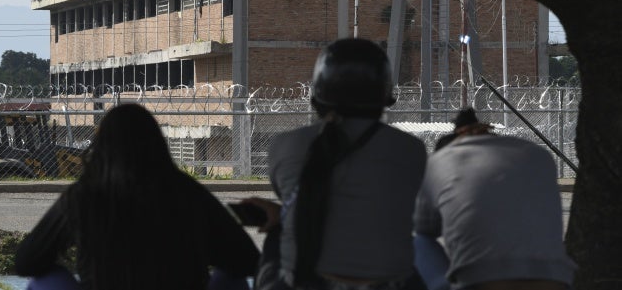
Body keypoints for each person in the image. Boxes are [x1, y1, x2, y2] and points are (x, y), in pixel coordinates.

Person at [246, 38, 429, 290]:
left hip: (303, 283)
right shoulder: (411, 149)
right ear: (383, 96)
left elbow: (302, 194)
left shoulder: (284, 145)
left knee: (277, 238)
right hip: (387, 284)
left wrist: (281, 216)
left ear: (318, 95)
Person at [14, 103, 260, 290]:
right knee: (231, 277)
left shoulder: (84, 196)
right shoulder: (187, 191)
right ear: (157, 143)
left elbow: (27, 262)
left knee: (45, 280)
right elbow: (247, 261)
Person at [413, 107, 577, 290]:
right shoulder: (540, 156)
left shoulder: (439, 161)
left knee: (418, 241)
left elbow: (424, 229)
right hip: (554, 280)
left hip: (479, 282)